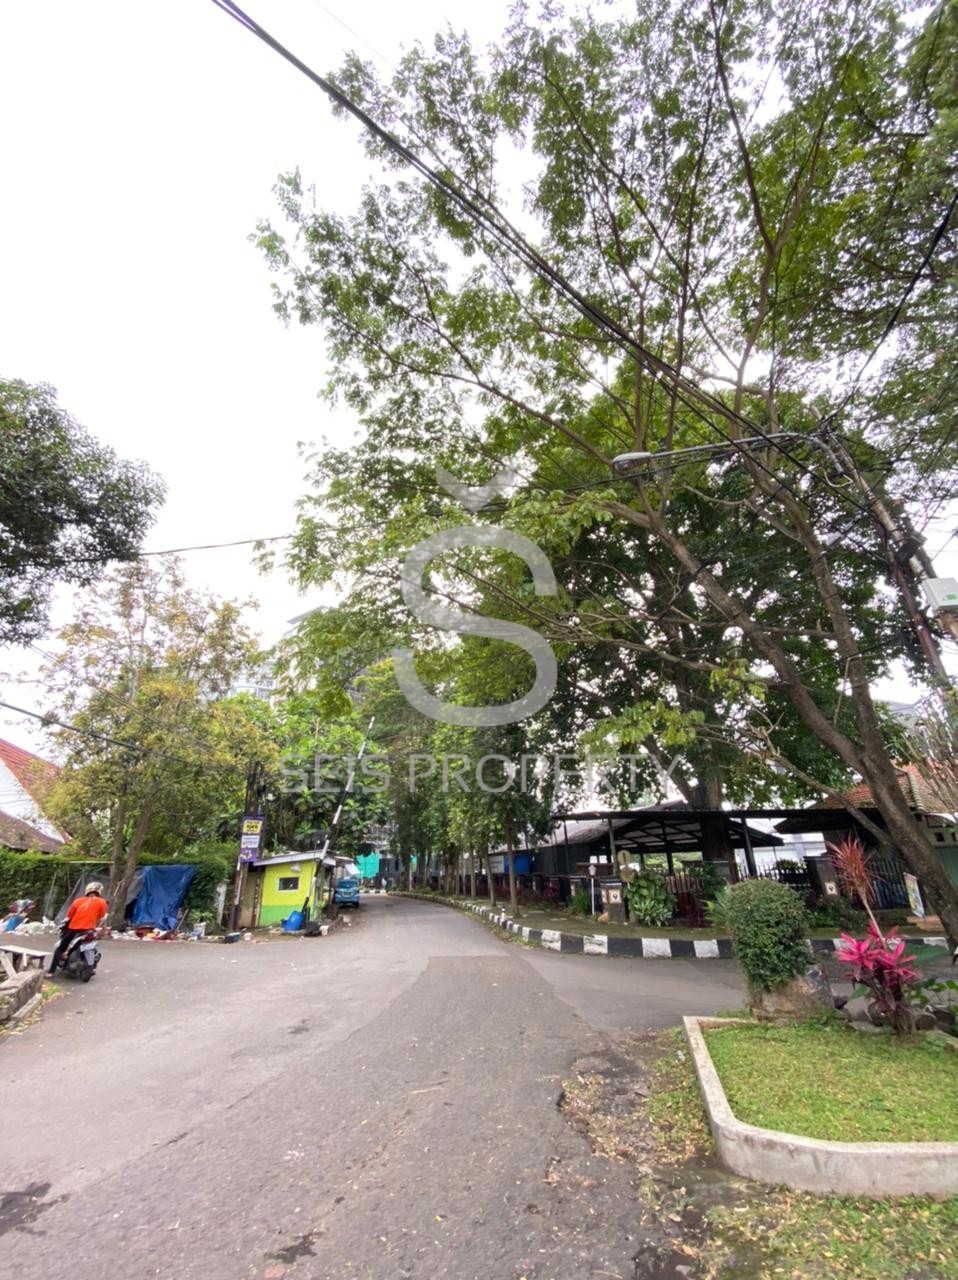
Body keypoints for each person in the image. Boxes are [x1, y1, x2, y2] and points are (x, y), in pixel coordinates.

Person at [48, 882, 108, 975]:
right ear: (99, 891)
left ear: (87, 890)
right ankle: (90, 965)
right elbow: (101, 916)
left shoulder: (78, 901)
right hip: (89, 930)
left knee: (60, 949)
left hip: (74, 929)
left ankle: (51, 971)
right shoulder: (102, 902)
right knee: (93, 945)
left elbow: (70, 915)